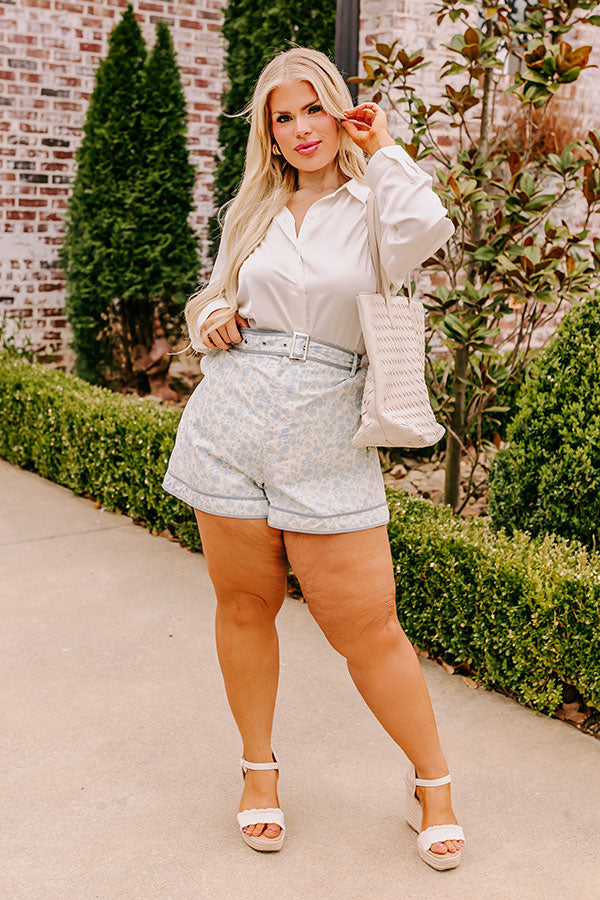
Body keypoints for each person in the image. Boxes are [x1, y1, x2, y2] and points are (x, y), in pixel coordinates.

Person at [161, 46, 465, 870]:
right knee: (243, 606)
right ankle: (258, 772)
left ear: (340, 112)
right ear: (268, 132)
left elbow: (427, 230)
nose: (300, 129)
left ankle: (432, 783)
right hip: (231, 425)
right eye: (283, 117)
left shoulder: (376, 205)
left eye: (313, 110)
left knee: (369, 627)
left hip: (327, 432)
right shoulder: (251, 210)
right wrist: (210, 317)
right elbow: (214, 294)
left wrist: (384, 144)